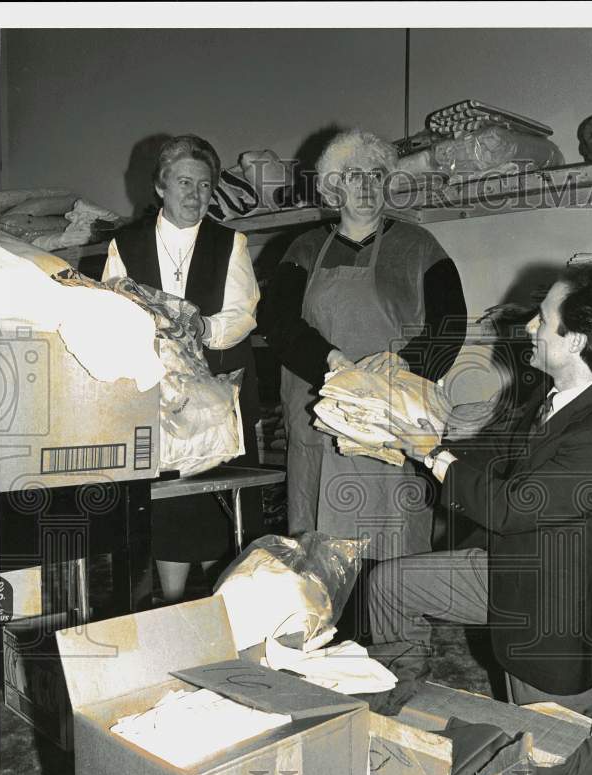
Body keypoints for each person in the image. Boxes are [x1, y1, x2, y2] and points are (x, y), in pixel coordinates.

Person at [368, 264, 592, 714]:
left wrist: (433, 457)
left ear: (574, 340)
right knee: (389, 584)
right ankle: (400, 688)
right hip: (508, 568)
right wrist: (432, 441)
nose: (528, 326)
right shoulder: (559, 395)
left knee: (542, 771)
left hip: (550, 620)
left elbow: (509, 508)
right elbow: (501, 454)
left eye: (542, 317)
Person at [261, 128, 467, 567]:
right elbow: (277, 323)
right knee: (320, 545)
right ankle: (325, 629)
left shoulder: (419, 246)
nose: (367, 187)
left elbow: (450, 324)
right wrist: (331, 360)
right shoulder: (304, 248)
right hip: (318, 414)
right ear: (334, 184)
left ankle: (396, 630)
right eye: (354, 176)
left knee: (391, 541)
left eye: (376, 175)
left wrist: (401, 363)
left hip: (393, 417)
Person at [103, 134, 261, 602]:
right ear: (160, 187)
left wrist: (202, 330)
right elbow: (111, 308)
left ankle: (227, 608)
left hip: (219, 399)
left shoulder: (230, 241)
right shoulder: (125, 243)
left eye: (205, 185)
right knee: (167, 506)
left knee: (220, 510)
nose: (194, 195)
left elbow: (243, 312)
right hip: (158, 399)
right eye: (184, 183)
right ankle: (170, 608)